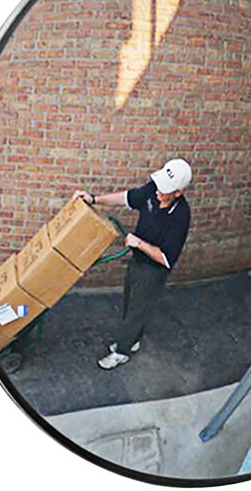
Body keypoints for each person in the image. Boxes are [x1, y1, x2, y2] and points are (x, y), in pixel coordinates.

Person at [72, 158, 192, 370]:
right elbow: (127, 197)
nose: (157, 192)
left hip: (154, 270)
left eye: (164, 190)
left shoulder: (181, 215)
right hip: (137, 260)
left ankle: (121, 352)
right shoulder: (154, 189)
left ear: (178, 193)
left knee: (137, 309)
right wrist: (93, 199)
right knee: (130, 301)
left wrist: (138, 243)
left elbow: (166, 258)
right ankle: (133, 339)